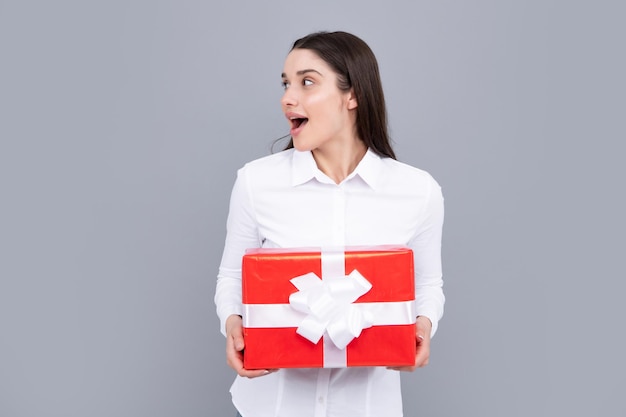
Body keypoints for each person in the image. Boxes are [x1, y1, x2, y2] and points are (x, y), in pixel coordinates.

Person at [215, 31, 445, 417]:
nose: (288, 98)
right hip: (273, 405)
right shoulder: (256, 183)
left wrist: (424, 325)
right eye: (286, 83)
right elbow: (231, 275)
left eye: (307, 82)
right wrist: (232, 321)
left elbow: (427, 283)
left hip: (367, 406)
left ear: (352, 95)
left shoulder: (417, 191)